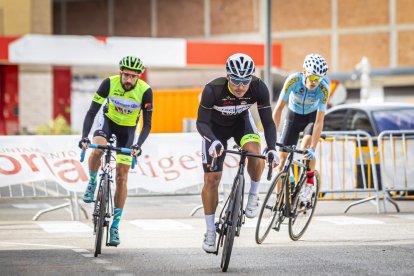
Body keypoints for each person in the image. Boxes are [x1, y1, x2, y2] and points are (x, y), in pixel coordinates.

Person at [196, 53, 279, 253]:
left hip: (241, 123)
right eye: (235, 81)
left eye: (245, 81)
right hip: (214, 130)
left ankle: (253, 194)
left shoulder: (259, 87)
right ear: (228, 77)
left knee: (254, 151)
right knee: (212, 179)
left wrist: (273, 148)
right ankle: (209, 231)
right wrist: (214, 141)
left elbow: (267, 122)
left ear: (251, 78)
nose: (240, 86)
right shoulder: (212, 89)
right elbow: (201, 123)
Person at [78, 55, 153, 246]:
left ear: (139, 77)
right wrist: (85, 137)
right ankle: (93, 182)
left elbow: (147, 125)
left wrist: (138, 145)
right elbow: (91, 112)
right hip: (107, 123)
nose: (129, 80)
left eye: (133, 77)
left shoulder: (145, 91)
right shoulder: (108, 84)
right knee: (98, 149)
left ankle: (115, 226)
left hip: (128, 131)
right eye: (126, 75)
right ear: (120, 72)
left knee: (122, 177)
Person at [272, 53, 329, 202]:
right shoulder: (293, 81)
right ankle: (280, 201)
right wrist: (271, 138)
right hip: (293, 116)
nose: (315, 82)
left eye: (319, 78)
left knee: (306, 148)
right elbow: (278, 110)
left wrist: (313, 148)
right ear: (304, 71)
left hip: (311, 117)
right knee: (281, 161)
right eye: (312, 77)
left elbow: (319, 121)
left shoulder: (323, 89)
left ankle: (309, 181)